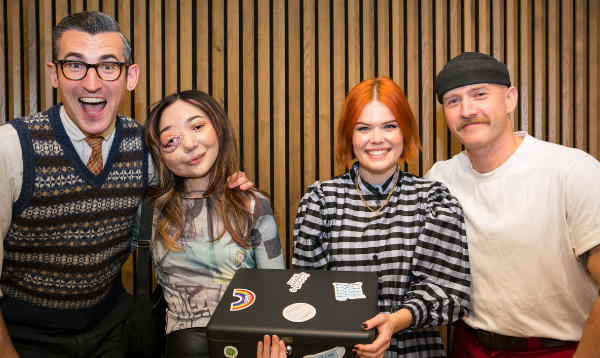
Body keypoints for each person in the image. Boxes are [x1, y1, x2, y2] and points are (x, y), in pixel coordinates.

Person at [0, 12, 251, 358]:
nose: (91, 84)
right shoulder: (11, 149)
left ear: (130, 76)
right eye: (75, 65)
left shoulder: (147, 148)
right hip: (24, 336)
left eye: (108, 66)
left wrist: (227, 183)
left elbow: (189, 179)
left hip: (112, 332)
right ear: (53, 74)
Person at [426, 52, 600, 357]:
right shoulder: (440, 178)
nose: (467, 110)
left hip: (556, 350)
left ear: (510, 99)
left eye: (479, 94)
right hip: (468, 345)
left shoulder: (571, 170)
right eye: (453, 101)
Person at [291, 77, 471, 358]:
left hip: (416, 351)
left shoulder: (433, 199)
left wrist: (397, 320)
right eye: (364, 128)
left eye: (389, 126)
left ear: (405, 131)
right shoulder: (321, 200)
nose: (377, 139)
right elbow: (307, 291)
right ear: (350, 135)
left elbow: (450, 293)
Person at [141, 89, 285, 358]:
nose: (190, 144)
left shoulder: (253, 205)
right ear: (159, 153)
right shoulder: (151, 211)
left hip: (248, 345)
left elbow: (276, 290)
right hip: (182, 348)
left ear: (218, 128)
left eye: (197, 126)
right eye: (172, 139)